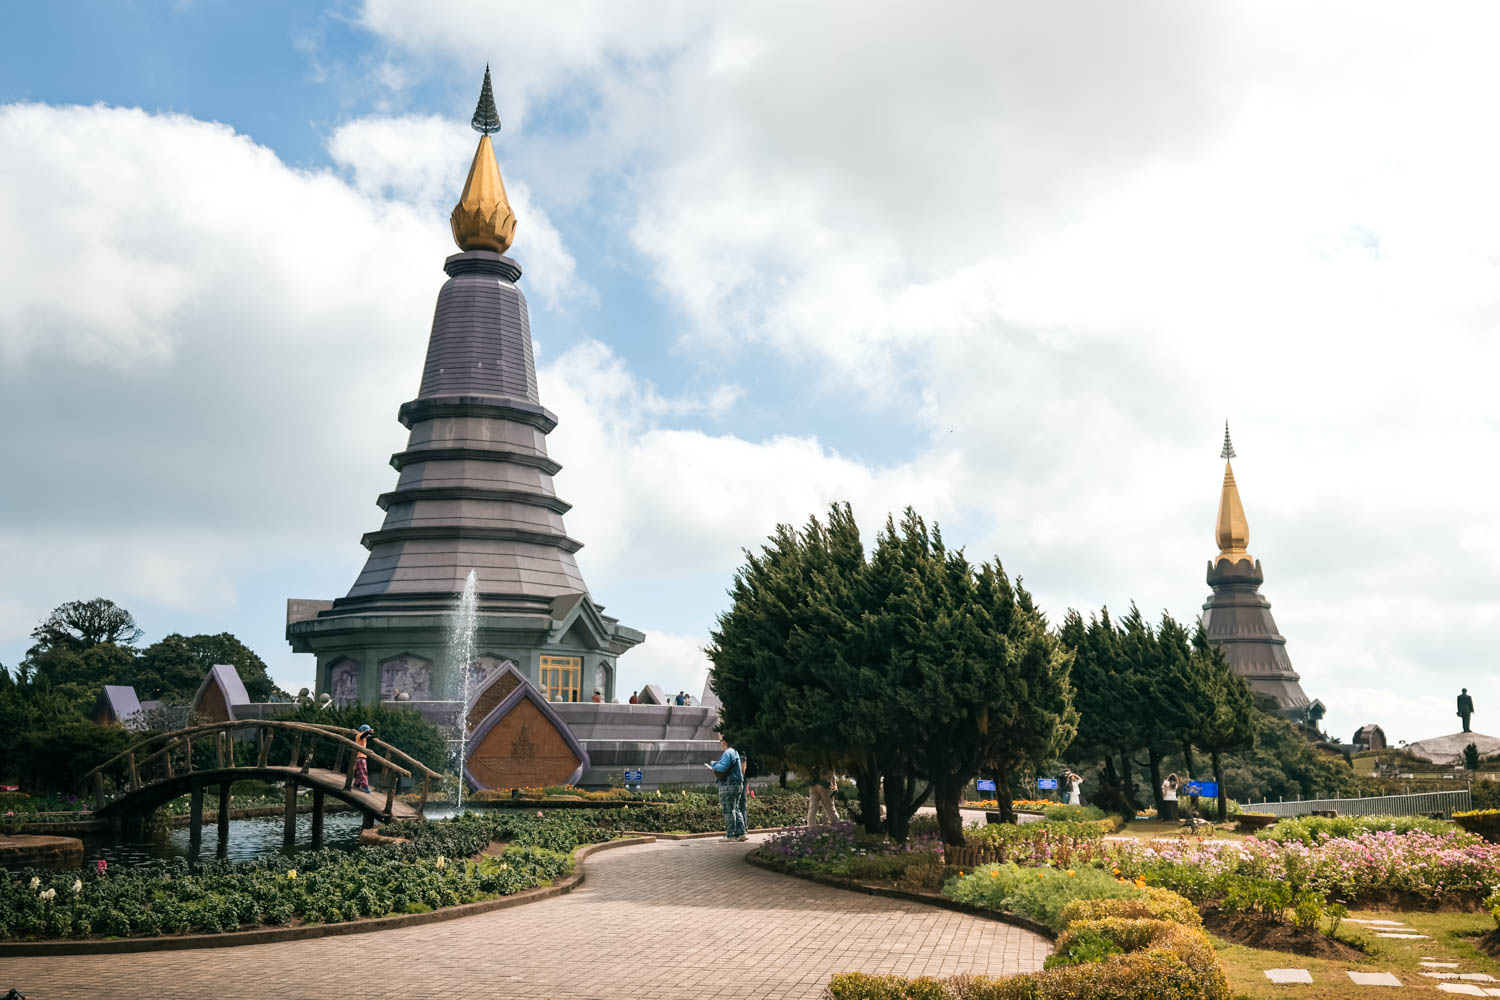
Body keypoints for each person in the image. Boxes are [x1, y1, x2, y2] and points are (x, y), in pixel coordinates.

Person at [706, 735, 747, 841]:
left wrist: (714, 764)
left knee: (728, 810)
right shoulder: (735, 752)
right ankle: (741, 833)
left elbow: (723, 767)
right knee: (736, 808)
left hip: (728, 786)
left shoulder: (728, 752)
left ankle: (730, 835)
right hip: (737, 785)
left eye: (721, 740)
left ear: (724, 741)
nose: (720, 743)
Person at [353, 724, 374, 793]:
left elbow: (367, 736)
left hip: (360, 756)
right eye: (366, 731)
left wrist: (373, 736)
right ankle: (365, 786)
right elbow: (363, 735)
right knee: (363, 772)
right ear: (363, 730)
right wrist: (368, 732)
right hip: (360, 756)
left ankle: (356, 784)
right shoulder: (360, 735)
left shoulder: (362, 737)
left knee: (359, 772)